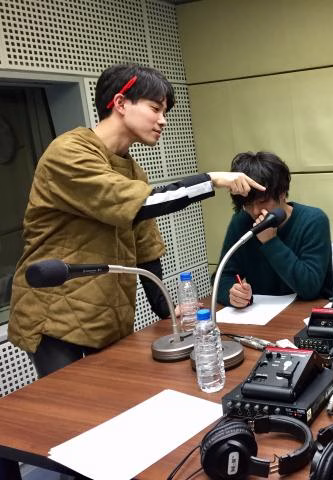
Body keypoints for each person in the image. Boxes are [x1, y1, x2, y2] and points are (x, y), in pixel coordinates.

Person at [8, 63, 264, 377]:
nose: (163, 120)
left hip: (107, 316)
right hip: (54, 314)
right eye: (155, 108)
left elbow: (145, 248)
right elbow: (144, 203)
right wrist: (211, 180)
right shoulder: (69, 153)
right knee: (73, 402)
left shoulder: (132, 171)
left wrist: (165, 310)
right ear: (120, 103)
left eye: (165, 112)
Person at [216, 151, 333, 307]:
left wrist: (270, 242)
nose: (255, 211)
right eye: (248, 205)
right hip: (262, 312)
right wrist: (233, 294)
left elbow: (310, 288)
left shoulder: (313, 220)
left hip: (310, 312)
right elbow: (222, 277)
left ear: (282, 193)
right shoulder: (241, 221)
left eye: (262, 201)